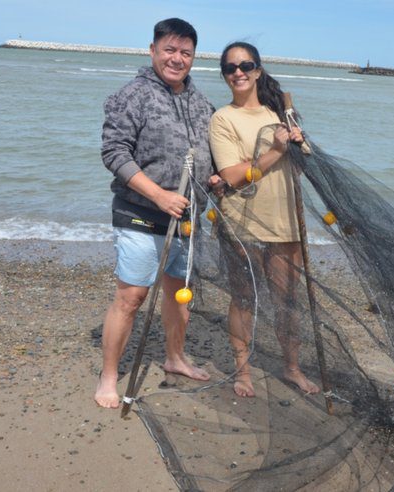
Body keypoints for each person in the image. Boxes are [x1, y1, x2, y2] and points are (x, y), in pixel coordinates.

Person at [95, 18, 213, 409]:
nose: (177, 59)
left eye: (185, 53)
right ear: (153, 50)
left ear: (194, 57)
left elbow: (215, 155)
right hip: (140, 212)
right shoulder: (132, 95)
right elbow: (114, 153)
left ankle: (175, 358)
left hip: (186, 219)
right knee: (131, 295)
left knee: (179, 296)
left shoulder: (201, 102)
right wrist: (159, 195)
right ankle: (109, 376)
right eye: (170, 50)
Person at [209, 41, 320, 398]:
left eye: (245, 65)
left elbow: (303, 166)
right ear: (225, 76)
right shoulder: (223, 119)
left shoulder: (281, 114)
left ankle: (292, 368)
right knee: (244, 298)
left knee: (288, 300)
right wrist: (275, 150)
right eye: (230, 68)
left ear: (258, 70)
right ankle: (242, 371)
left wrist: (301, 145)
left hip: (286, 222)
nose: (238, 72)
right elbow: (231, 175)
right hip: (243, 224)